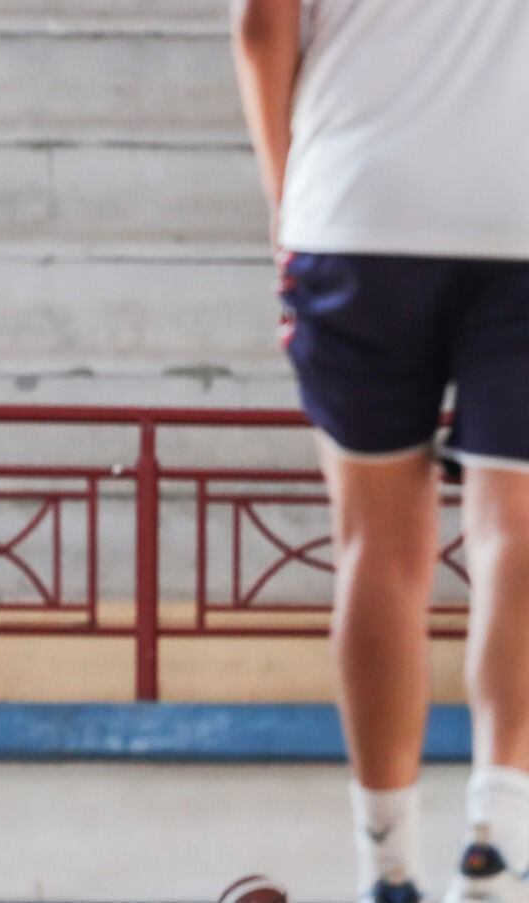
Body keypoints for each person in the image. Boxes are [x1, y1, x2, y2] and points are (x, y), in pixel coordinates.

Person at [232, 2, 529, 901]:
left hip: (358, 201)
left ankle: (386, 862)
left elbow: (258, 25)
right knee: (512, 530)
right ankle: (497, 840)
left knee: (377, 546)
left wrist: (290, 201)